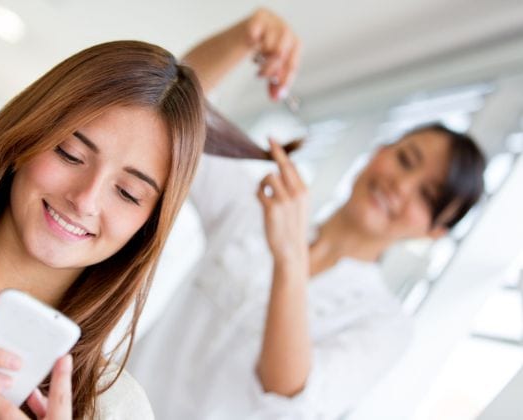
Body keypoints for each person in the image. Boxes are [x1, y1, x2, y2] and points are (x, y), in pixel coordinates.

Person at [128, 9, 487, 420]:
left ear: (434, 233)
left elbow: (288, 395)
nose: (401, 187)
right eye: (405, 160)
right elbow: (173, 114)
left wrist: (289, 258)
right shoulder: (259, 203)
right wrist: (244, 36)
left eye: (428, 195)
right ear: (379, 153)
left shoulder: (383, 325)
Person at [0, 40, 210, 420]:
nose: (85, 200)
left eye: (127, 193)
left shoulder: (116, 409)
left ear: (147, 226)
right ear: (23, 138)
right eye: (69, 154)